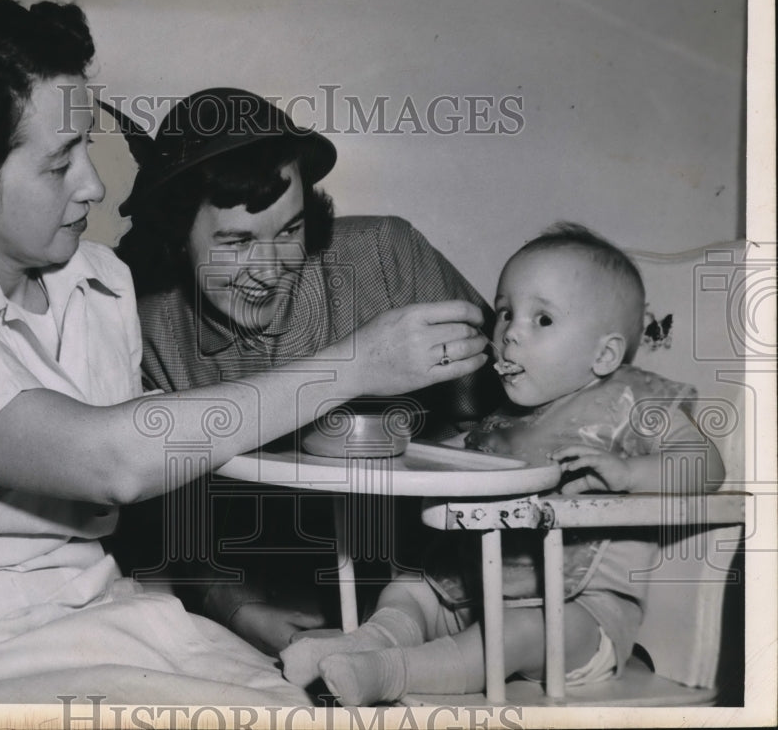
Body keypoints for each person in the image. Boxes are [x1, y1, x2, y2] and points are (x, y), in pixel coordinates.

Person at [0, 0, 491, 704]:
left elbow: (164, 476)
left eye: (88, 147)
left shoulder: (102, 283)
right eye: (59, 164)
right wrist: (357, 364)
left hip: (106, 614)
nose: (95, 184)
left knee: (308, 707)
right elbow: (109, 460)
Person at [112, 88, 501, 655]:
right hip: (271, 609)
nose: (270, 270)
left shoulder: (388, 257)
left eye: (289, 231)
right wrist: (234, 606)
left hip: (440, 603)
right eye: (238, 242)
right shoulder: (146, 331)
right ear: (177, 238)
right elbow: (159, 516)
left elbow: (517, 411)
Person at [278, 222, 725, 705]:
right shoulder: (501, 419)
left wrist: (629, 474)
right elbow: (455, 463)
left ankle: (390, 671)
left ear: (605, 353)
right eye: (506, 311)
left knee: (515, 630)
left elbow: (706, 465)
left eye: (543, 320)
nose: (510, 331)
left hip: (579, 618)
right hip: (473, 593)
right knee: (409, 589)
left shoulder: (633, 402)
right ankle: (368, 643)